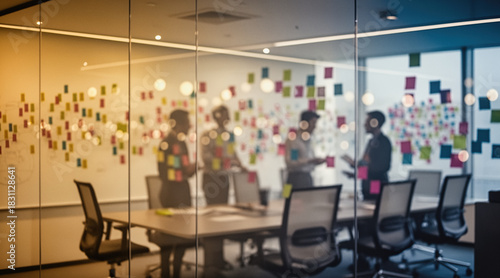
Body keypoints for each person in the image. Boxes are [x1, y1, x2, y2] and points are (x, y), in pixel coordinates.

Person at [157, 109, 196, 278]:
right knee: (170, 235)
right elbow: (164, 173)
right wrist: (188, 170)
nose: (190, 125)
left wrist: (190, 169)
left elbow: (185, 170)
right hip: (172, 194)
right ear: (178, 124)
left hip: (182, 193)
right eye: (187, 122)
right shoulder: (166, 144)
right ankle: (167, 271)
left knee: (182, 235)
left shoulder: (182, 143)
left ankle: (175, 271)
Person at [200, 105, 246, 205]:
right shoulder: (207, 135)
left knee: (224, 206)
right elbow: (206, 157)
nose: (228, 118)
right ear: (217, 116)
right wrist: (223, 160)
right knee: (213, 207)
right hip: (211, 177)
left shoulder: (229, 135)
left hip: (224, 176)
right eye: (225, 115)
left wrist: (240, 165)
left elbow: (233, 153)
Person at [341, 110, 392, 200]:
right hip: (367, 186)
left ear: (374, 123)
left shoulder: (383, 142)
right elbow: (368, 166)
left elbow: (381, 168)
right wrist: (357, 173)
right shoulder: (371, 142)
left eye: (367, 122)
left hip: (375, 184)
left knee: (374, 204)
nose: (365, 125)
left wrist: (358, 165)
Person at [284, 110, 326, 188]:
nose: (315, 126)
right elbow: (292, 162)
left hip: (307, 177)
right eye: (313, 123)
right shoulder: (294, 140)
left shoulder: (308, 140)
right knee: (291, 199)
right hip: (296, 179)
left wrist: (315, 162)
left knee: (308, 199)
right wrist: (310, 161)